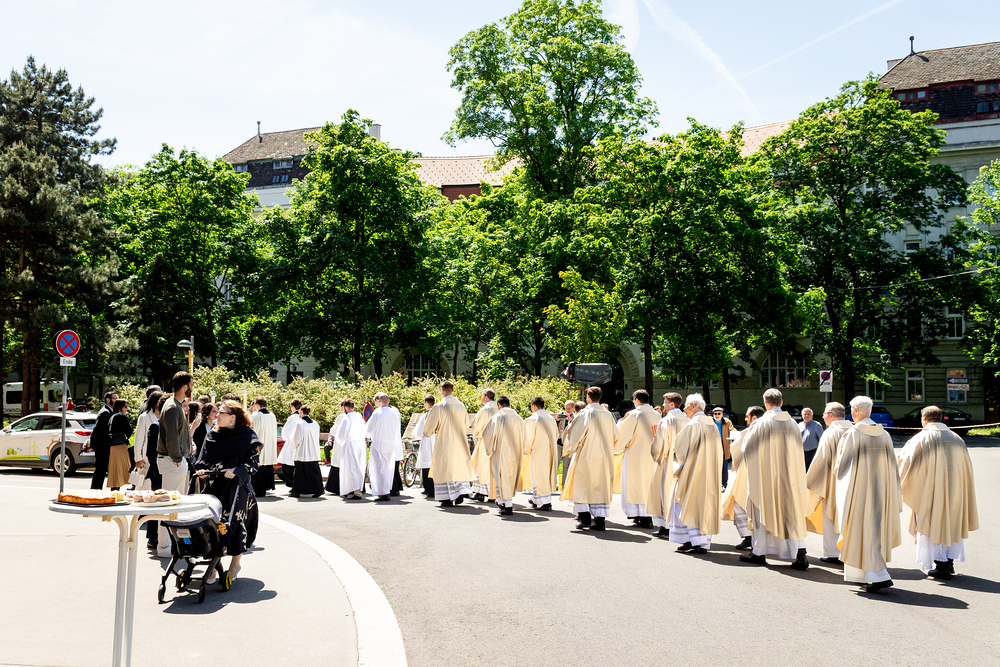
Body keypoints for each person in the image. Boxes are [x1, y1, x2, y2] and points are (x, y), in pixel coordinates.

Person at [897, 405, 979, 580]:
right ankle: (948, 562)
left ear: (924, 420)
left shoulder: (921, 439)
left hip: (931, 492)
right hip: (955, 490)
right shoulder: (957, 439)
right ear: (940, 418)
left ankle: (941, 566)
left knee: (933, 524)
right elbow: (967, 467)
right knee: (951, 523)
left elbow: (905, 462)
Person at [835, 395, 902, 593]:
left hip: (858, 492)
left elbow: (842, 467)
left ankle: (877, 575)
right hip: (881, 491)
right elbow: (893, 467)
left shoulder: (852, 434)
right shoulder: (884, 435)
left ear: (856, 411)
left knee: (859, 531)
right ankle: (868, 575)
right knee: (874, 532)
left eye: (852, 411)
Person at [738, 388, 809, 570]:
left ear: (765, 403)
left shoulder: (761, 424)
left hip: (767, 476)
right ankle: (800, 554)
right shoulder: (793, 424)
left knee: (763, 511)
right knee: (791, 513)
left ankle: (759, 552)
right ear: (781, 402)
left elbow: (747, 450)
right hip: (790, 477)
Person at [193, 400, 260, 588]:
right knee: (210, 525)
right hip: (213, 486)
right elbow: (202, 459)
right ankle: (213, 565)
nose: (217, 415)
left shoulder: (247, 435)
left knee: (236, 524)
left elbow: (254, 463)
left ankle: (235, 564)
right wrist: (201, 470)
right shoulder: (212, 435)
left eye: (221, 412)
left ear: (233, 417)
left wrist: (237, 470)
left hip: (236, 487)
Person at [667, 394, 722, 554]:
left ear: (693, 406)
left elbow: (679, 448)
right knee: (703, 505)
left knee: (683, 501)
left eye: (686, 405)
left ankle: (691, 540)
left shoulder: (693, 425)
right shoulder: (712, 424)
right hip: (709, 472)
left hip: (693, 472)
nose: (684, 408)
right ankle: (702, 542)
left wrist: (677, 462)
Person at [561, 386, 617, 532]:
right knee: (600, 487)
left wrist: (571, 447)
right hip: (604, 457)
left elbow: (576, 435)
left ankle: (585, 519)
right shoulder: (608, 415)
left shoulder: (584, 414)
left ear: (589, 398)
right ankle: (600, 521)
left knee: (582, 486)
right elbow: (616, 436)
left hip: (586, 455)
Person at [804, 402, 852, 564]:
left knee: (830, 515)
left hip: (833, 482)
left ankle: (832, 553)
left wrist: (811, 482)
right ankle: (849, 551)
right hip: (853, 482)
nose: (823, 417)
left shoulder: (831, 433)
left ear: (831, 415)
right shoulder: (854, 430)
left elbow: (822, 460)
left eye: (825, 414)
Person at [156, 372, 194, 559]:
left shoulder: (173, 405)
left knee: (173, 505)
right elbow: (172, 437)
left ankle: (170, 544)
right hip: (172, 461)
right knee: (169, 505)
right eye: (191, 384)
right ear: (185, 387)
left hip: (173, 460)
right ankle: (164, 546)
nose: (192, 388)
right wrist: (178, 459)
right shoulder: (172, 406)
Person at [423, 381, 475, 507]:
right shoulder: (461, 405)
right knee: (457, 466)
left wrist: (431, 431)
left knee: (444, 468)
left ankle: (446, 498)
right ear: (453, 390)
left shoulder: (439, 406)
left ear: (442, 391)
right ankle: (459, 493)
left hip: (444, 442)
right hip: (459, 442)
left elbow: (428, 430)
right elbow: (466, 424)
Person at [721, 406, 765, 550]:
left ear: (754, 418)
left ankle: (750, 538)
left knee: (741, 504)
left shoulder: (750, 432)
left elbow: (737, 450)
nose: (745, 419)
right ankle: (752, 539)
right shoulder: (765, 430)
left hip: (747, 475)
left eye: (747, 416)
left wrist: (735, 441)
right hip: (759, 475)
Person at [647, 393, 688, 539]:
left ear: (672, 404)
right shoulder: (687, 419)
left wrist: (655, 454)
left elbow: (659, 443)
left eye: (665, 402)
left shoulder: (665, 420)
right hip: (683, 461)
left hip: (667, 459)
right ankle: (676, 526)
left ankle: (665, 526)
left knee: (664, 491)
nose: (663, 404)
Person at [615, 389, 658, 528]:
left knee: (635, 484)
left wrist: (617, 446)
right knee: (648, 484)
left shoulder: (634, 415)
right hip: (652, 455)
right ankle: (648, 514)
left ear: (637, 399)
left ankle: (639, 514)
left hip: (635, 455)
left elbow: (621, 433)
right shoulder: (657, 415)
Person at [482, 396, 525, 516]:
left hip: (502, 451)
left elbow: (487, 433)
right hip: (516, 452)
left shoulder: (498, 417)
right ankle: (505, 502)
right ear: (509, 405)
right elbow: (524, 435)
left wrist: (489, 448)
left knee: (502, 477)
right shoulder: (518, 418)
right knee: (511, 477)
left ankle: (506, 504)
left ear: (499, 405)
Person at [523, 396, 558, 511]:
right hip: (551, 450)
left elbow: (528, 437)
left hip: (538, 451)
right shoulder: (550, 418)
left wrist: (525, 449)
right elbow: (556, 435)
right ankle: (536, 499)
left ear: (533, 406)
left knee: (538, 475)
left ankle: (546, 502)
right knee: (544, 475)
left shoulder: (534, 419)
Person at [140, 394, 166, 548]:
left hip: (169, 471)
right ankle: (152, 536)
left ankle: (163, 537)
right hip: (156, 470)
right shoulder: (153, 424)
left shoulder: (174, 425)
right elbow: (148, 449)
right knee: (155, 503)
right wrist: (155, 470)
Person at [366, 393, 401, 502]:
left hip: (379, 443)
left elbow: (369, 429)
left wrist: (368, 436)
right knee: (388, 468)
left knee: (379, 468)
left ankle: (383, 492)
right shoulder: (394, 413)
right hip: (390, 443)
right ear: (388, 401)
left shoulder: (378, 413)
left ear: (379, 401)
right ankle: (387, 490)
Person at [335, 398, 367, 499]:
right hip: (360, 443)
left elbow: (340, 435)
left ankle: (355, 491)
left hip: (350, 443)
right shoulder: (359, 417)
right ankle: (354, 489)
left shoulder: (346, 418)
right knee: (359, 466)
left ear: (345, 407)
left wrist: (340, 441)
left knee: (350, 467)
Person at [470, 389, 499, 501]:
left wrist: (476, 435)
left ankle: (480, 492)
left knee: (481, 466)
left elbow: (476, 424)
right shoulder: (498, 408)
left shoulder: (485, 409)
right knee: (493, 467)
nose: (481, 397)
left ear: (486, 396)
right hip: (497, 441)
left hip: (485, 441)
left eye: (482, 395)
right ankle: (493, 493)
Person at [289, 405, 323, 498]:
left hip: (302, 451)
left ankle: (297, 491)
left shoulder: (300, 423)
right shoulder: (315, 423)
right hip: (313, 451)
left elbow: (296, 438)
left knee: (300, 473)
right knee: (314, 472)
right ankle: (318, 489)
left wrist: (294, 444)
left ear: (301, 412)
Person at [250, 398, 278, 497]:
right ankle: (268, 485)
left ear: (257, 404)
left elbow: (253, 431)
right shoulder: (272, 415)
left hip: (259, 444)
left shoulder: (256, 416)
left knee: (259, 466)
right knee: (267, 465)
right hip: (269, 444)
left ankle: (259, 489)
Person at [89, 391, 117, 489]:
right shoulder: (105, 412)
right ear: (108, 400)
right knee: (100, 470)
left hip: (104, 446)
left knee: (102, 470)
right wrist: (92, 445)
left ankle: (96, 489)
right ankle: (95, 490)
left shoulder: (109, 411)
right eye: (115, 399)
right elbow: (97, 430)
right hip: (102, 447)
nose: (116, 401)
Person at [413, 395, 437, 498]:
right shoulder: (438, 413)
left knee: (426, 466)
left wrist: (416, 436)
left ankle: (428, 489)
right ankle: (435, 488)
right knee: (434, 465)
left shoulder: (425, 416)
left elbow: (419, 432)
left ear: (426, 403)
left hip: (427, 441)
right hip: (436, 441)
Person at [133, 385, 161, 474]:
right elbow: (139, 439)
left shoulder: (165, 416)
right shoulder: (144, 417)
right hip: (146, 456)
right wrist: (138, 458)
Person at [276, 399, 303, 488]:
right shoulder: (303, 417)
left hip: (291, 443)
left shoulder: (292, 418)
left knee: (287, 465)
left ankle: (292, 485)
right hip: (301, 444)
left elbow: (285, 432)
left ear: (293, 407)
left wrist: (285, 437)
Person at [106, 399, 133, 490]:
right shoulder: (122, 416)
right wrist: (126, 438)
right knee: (125, 469)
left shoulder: (112, 416)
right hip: (121, 446)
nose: (127, 409)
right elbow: (129, 430)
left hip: (113, 447)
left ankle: (115, 490)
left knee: (115, 471)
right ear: (120, 407)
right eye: (125, 407)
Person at [711, 407, 734, 489]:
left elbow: (732, 430)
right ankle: (714, 484)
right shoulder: (710, 422)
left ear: (722, 414)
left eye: (719, 414)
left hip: (724, 444)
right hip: (713, 444)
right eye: (715, 414)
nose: (717, 415)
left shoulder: (727, 422)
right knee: (713, 465)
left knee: (724, 466)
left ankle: (724, 484)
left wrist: (734, 434)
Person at [556, 400, 577, 487]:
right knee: (555, 464)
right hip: (558, 442)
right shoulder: (561, 414)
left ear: (573, 408)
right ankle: (553, 484)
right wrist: (557, 420)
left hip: (568, 444)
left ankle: (564, 485)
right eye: (566, 408)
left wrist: (571, 421)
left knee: (566, 465)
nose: (567, 410)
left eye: (569, 408)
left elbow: (577, 429)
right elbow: (554, 427)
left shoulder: (576, 417)